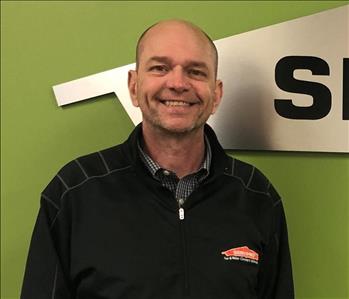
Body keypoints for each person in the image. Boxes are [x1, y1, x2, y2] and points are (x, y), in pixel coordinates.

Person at [21, 19, 294, 299]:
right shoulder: (74, 192)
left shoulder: (256, 196)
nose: (177, 83)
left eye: (196, 71)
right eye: (160, 68)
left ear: (216, 94)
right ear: (134, 86)